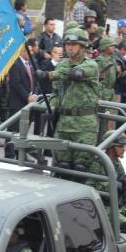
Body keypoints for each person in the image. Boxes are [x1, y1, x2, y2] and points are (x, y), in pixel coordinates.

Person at [36, 29, 100, 172]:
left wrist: (48, 75)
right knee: (62, 166)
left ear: (83, 46)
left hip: (84, 124)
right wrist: (52, 106)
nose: (69, 47)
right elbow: (56, 92)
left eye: (74, 44)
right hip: (64, 123)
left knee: (81, 167)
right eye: (68, 44)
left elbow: (75, 74)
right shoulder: (62, 64)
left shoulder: (90, 65)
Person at [7, 41, 38, 133]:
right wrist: (27, 97)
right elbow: (16, 84)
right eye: (30, 51)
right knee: (14, 130)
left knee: (24, 130)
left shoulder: (31, 63)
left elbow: (37, 80)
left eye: (32, 51)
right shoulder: (15, 63)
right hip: (18, 103)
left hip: (30, 101)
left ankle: (19, 148)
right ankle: (10, 147)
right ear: (23, 51)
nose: (32, 53)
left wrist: (35, 94)